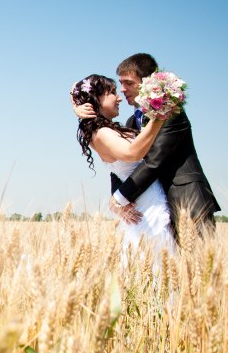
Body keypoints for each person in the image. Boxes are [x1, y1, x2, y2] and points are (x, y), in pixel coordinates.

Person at [75, 53, 220, 241]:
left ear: (147, 83)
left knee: (197, 266)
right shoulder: (130, 122)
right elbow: (119, 166)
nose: (123, 90)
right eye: (120, 84)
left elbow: (154, 161)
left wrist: (120, 198)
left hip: (186, 199)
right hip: (150, 207)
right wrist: (79, 107)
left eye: (128, 83)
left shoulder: (171, 113)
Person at [71, 74, 176, 255]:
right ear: (96, 99)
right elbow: (132, 153)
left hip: (145, 198)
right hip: (144, 207)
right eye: (111, 92)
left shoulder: (107, 129)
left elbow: (74, 88)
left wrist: (75, 106)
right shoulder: (101, 133)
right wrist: (158, 118)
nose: (119, 97)